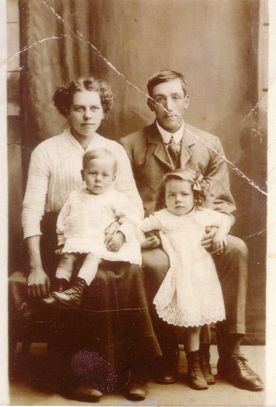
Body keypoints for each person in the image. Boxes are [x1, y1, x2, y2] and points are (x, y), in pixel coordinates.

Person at [121, 69, 264, 391]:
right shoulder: (131, 146)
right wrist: (147, 234)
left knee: (236, 248)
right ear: (150, 104)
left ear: (186, 101)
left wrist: (219, 228)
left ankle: (230, 354)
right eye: (160, 99)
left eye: (175, 97)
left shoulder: (208, 144)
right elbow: (124, 202)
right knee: (156, 263)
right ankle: (166, 353)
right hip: (157, 236)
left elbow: (223, 203)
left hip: (199, 233)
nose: (168, 105)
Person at [21, 76, 161, 401]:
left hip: (110, 234)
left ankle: (131, 371)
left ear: (104, 111)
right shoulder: (47, 151)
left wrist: (123, 230)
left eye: (94, 108)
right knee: (93, 280)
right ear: (66, 111)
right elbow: (31, 209)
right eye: (79, 108)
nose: (87, 115)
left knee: (129, 273)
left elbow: (133, 206)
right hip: (65, 237)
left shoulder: (114, 150)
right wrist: (36, 266)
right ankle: (81, 376)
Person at [138, 169, 232, 390]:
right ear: (165, 197)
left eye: (184, 194)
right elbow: (137, 227)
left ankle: (201, 363)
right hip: (182, 275)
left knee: (202, 320)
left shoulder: (202, 214)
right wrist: (143, 242)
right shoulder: (162, 217)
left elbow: (226, 218)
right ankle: (193, 367)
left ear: (196, 196)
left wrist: (220, 233)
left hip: (204, 276)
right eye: (171, 195)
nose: (177, 199)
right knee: (192, 323)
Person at [43, 148, 141, 307]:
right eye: (93, 173)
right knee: (67, 256)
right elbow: (63, 221)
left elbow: (131, 219)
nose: (98, 179)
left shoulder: (116, 198)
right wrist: (62, 242)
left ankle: (77, 290)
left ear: (113, 178)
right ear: (83, 175)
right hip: (80, 240)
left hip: (102, 243)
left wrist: (121, 235)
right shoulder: (75, 197)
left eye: (105, 175)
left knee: (92, 257)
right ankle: (59, 289)